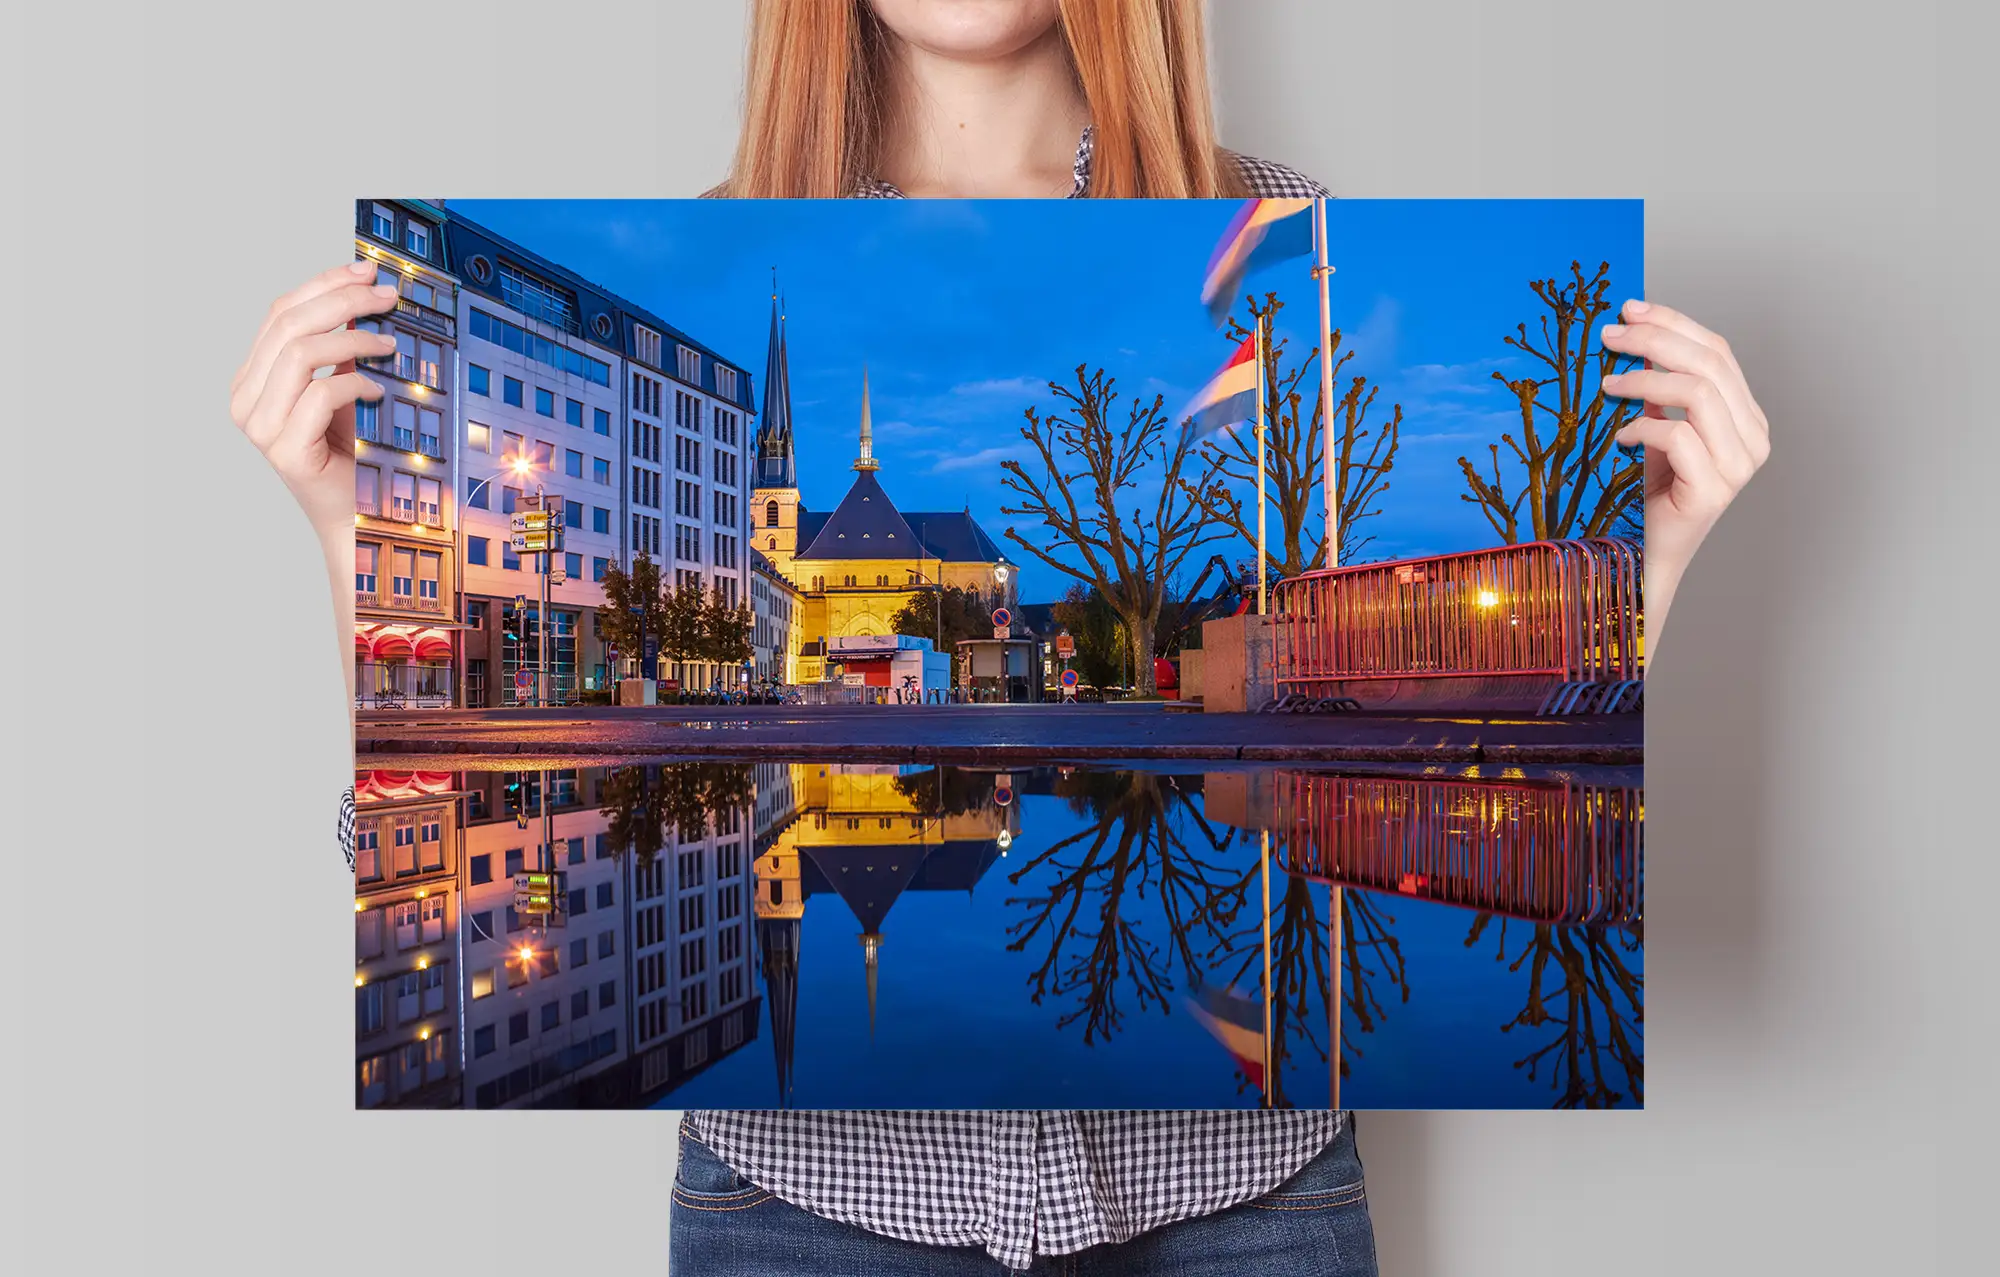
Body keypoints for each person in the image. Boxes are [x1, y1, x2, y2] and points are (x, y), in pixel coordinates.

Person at [232, 1, 1769, 1272]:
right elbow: (401, 869)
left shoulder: (1290, 245)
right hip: (806, 1217)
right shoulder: (720, 251)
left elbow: (1590, 805)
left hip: (1242, 1210)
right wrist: (345, 542)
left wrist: (1659, 561)